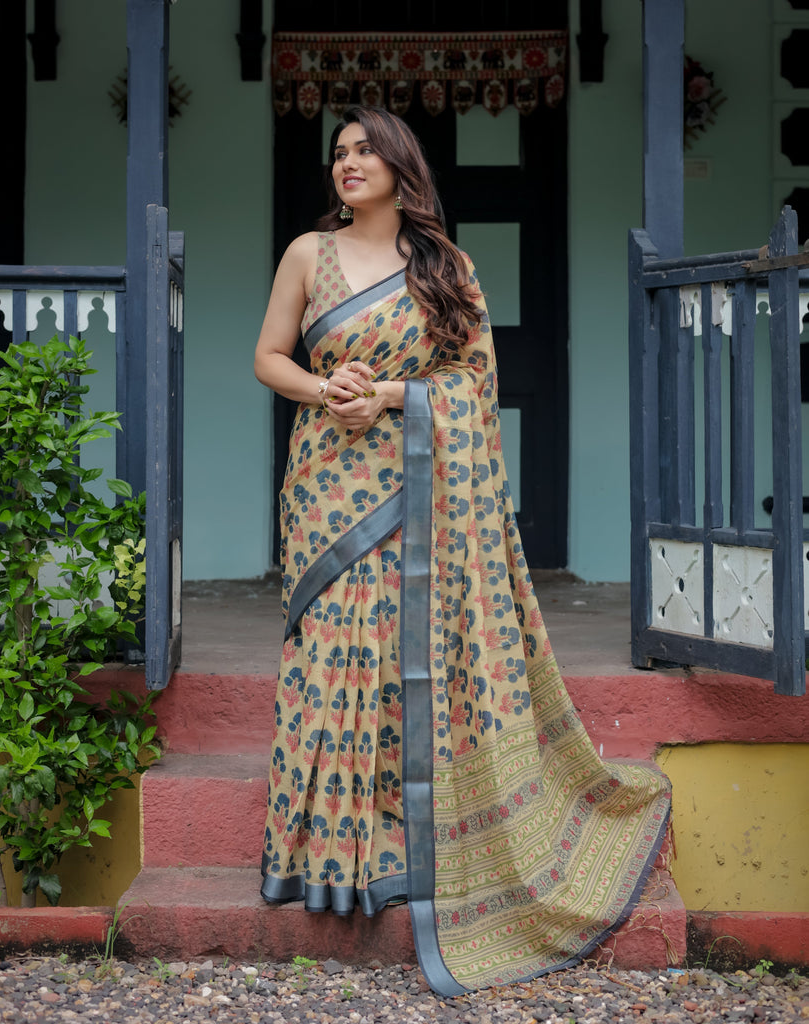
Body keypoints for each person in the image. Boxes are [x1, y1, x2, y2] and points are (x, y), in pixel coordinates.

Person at [253, 105, 671, 996]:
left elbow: (470, 383)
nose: (347, 165)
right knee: (331, 647)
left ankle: (403, 846)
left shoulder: (445, 267)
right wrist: (327, 389)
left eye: (365, 151)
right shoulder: (305, 255)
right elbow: (267, 358)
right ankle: (325, 853)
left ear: (403, 167)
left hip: (410, 476)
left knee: (403, 657)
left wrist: (393, 396)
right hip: (327, 478)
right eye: (337, 154)